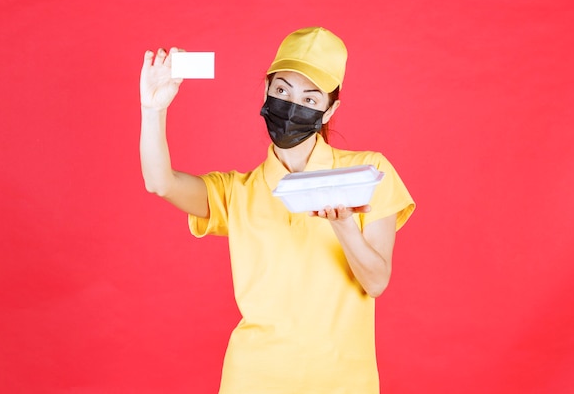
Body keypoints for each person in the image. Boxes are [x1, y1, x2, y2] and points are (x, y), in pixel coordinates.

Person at [140, 27, 415, 394]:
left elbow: (376, 281)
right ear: (267, 92)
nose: (291, 104)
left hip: (342, 381)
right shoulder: (237, 191)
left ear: (331, 109)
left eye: (310, 97)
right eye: (282, 90)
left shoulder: (368, 174)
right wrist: (152, 109)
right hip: (252, 380)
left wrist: (345, 224)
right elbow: (162, 183)